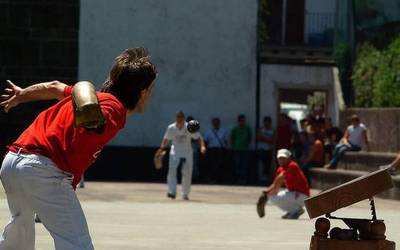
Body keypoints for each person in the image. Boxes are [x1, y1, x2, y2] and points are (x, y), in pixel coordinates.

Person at [0, 47, 157, 249]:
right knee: (76, 244)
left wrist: (23, 94)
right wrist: (94, 124)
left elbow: (55, 87)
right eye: (151, 90)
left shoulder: (90, 97)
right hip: (41, 168)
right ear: (143, 91)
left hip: (13, 162)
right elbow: (94, 121)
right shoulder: (114, 107)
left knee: (19, 236)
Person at [159, 111, 206, 200]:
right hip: (175, 151)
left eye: (181, 118)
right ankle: (172, 192)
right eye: (178, 118)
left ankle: (185, 194)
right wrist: (161, 148)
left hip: (187, 152)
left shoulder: (189, 127)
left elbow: (199, 137)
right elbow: (166, 138)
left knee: (187, 173)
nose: (179, 120)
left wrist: (202, 146)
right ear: (176, 118)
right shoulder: (171, 127)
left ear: (184, 118)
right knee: (172, 171)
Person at [263, 149, 310, 219]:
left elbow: (279, 178)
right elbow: (276, 185)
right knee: (272, 196)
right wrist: (266, 194)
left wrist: (267, 193)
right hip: (294, 194)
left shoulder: (292, 166)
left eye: (283, 158)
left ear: (288, 158)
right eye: (280, 158)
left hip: (301, 195)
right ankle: (292, 211)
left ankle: (296, 210)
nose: (281, 160)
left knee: (272, 197)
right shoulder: (280, 169)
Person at [204, 117, 228, 183]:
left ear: (219, 123)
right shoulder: (208, 131)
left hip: (220, 149)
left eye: (217, 122)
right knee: (212, 165)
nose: (216, 124)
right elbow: (206, 141)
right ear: (212, 123)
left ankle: (220, 179)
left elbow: (226, 141)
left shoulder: (223, 131)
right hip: (212, 150)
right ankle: (212, 178)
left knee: (220, 164)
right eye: (214, 122)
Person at [230, 114, 252, 184]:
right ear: (238, 121)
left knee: (244, 165)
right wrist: (234, 146)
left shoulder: (248, 129)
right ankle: (238, 179)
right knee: (237, 165)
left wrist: (247, 144)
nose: (242, 122)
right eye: (241, 121)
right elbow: (232, 138)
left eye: (243, 121)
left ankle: (243, 179)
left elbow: (249, 138)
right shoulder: (235, 129)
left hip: (245, 149)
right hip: (237, 149)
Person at [256, 116, 274, 184]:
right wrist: (268, 139)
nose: (267, 124)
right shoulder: (261, 129)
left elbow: (273, 140)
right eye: (265, 122)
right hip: (261, 149)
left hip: (269, 149)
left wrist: (264, 138)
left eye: (268, 122)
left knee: (268, 165)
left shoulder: (272, 130)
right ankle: (261, 178)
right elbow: (258, 138)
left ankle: (266, 178)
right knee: (262, 164)